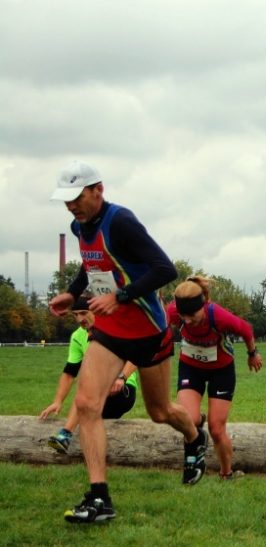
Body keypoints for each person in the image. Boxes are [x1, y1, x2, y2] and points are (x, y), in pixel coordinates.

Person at [47, 160, 207, 524]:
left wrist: (120, 296)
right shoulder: (78, 226)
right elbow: (90, 265)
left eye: (77, 197)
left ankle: (194, 437)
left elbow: (165, 269)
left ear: (98, 190)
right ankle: (99, 497)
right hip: (111, 331)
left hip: (149, 331)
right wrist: (73, 295)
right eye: (66, 200)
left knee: (160, 411)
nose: (71, 206)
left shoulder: (121, 221)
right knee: (87, 404)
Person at [167, 276, 263, 479]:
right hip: (190, 368)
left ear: (203, 305)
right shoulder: (172, 313)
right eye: (183, 316)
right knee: (189, 420)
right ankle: (193, 459)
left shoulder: (218, 316)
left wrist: (252, 353)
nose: (187, 321)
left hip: (221, 370)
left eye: (192, 315)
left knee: (217, 429)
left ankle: (226, 473)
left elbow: (246, 329)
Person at [40, 296, 139, 453]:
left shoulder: (115, 328)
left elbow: (137, 356)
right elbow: (69, 372)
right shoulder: (78, 337)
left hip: (122, 391)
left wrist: (122, 378)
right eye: (75, 314)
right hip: (98, 395)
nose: (80, 319)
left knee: (87, 388)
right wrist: (57, 401)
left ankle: (65, 435)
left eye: (84, 313)